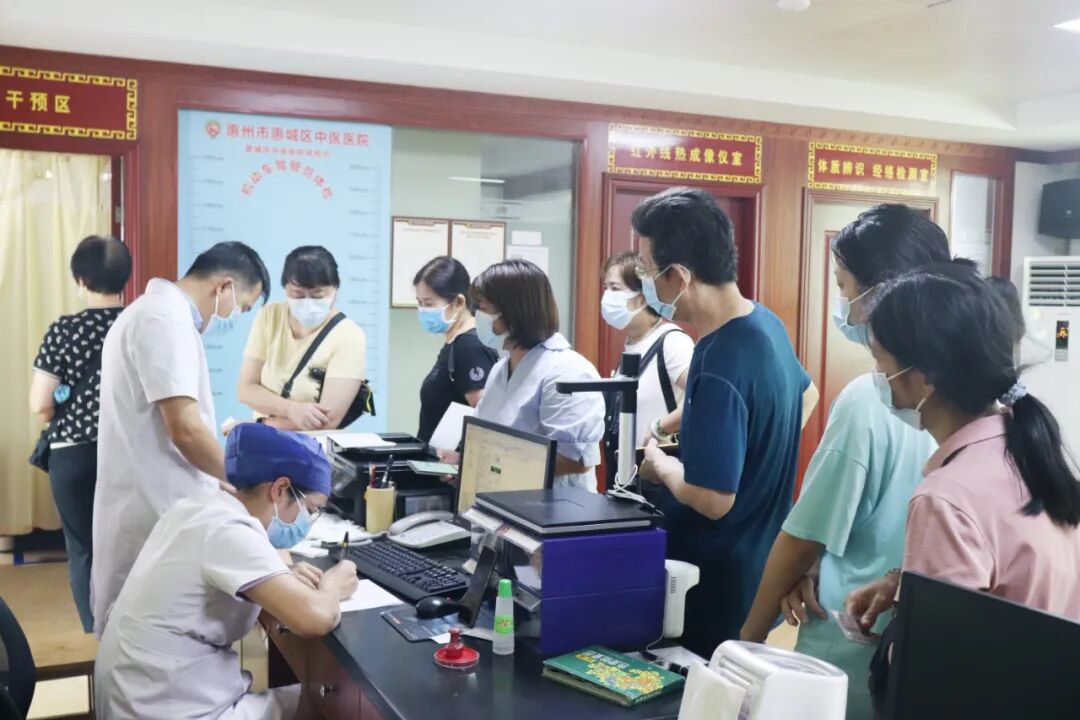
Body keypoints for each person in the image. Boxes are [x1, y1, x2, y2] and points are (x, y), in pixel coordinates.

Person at [739, 205, 947, 718]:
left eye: (843, 286)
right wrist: (812, 563)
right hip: (918, 658)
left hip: (849, 652)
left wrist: (747, 642)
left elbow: (803, 537)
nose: (843, 306)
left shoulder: (870, 399)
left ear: (880, 294)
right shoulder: (965, 397)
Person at [846, 261, 1080, 652]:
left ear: (924, 380)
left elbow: (934, 663)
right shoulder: (1026, 450)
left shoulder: (945, 499)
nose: (877, 374)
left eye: (880, 359)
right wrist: (905, 584)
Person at [633, 187, 815, 658]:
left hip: (715, 577)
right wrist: (746, 447)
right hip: (758, 559)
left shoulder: (717, 361)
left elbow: (714, 500)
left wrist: (661, 465)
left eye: (647, 270)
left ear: (679, 277)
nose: (645, 283)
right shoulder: (764, 322)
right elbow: (806, 395)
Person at [95, 422, 359, 720]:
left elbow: (246, 559)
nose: (308, 522)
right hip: (166, 705)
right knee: (329, 702)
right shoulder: (229, 531)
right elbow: (316, 618)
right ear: (280, 489)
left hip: (142, 691)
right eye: (310, 510)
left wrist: (281, 574)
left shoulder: (202, 508)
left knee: (314, 696)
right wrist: (334, 584)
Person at [92, 241, 270, 637]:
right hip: (153, 507)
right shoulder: (162, 319)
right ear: (224, 286)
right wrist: (243, 479)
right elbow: (185, 430)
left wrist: (219, 479)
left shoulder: (156, 314)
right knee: (149, 635)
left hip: (154, 499)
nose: (234, 317)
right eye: (241, 307)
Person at [28, 235, 132, 633]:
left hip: (72, 454)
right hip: (128, 452)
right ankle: (132, 626)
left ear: (81, 279)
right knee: (129, 544)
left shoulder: (64, 330)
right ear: (125, 277)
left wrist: (61, 401)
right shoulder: (138, 327)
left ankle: (96, 634)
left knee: (83, 548)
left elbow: (40, 404)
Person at [466, 259, 606, 490]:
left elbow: (575, 459)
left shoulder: (567, 371)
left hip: (552, 506)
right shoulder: (500, 369)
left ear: (512, 311)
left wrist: (491, 467)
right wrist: (466, 463)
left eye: (481, 307)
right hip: (501, 499)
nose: (476, 316)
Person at [238, 246, 366, 431]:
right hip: (263, 440)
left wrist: (258, 426)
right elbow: (246, 389)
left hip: (311, 445)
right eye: (297, 295)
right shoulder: (269, 316)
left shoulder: (349, 335)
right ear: (285, 289)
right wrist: (291, 409)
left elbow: (327, 421)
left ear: (335, 290)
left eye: (318, 295)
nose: (308, 303)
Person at [601, 251, 694, 448]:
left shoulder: (672, 342)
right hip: (627, 465)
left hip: (658, 463)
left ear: (642, 296)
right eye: (606, 287)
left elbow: (703, 396)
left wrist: (659, 429)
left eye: (615, 288)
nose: (607, 296)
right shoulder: (633, 344)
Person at [413, 256, 497, 443]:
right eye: (419, 303)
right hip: (434, 457)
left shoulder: (470, 346)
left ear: (459, 302)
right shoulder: (454, 342)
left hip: (451, 461)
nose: (423, 310)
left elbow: (484, 419)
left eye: (429, 303)